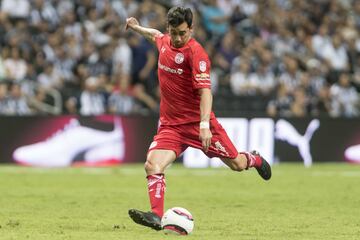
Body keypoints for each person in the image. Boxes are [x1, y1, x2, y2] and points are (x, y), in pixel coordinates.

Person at [125, 6, 271, 231]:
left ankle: (254, 159)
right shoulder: (164, 41)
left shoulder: (196, 54)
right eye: (174, 32)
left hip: (198, 126)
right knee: (152, 164)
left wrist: (204, 126)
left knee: (237, 164)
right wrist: (136, 27)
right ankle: (155, 215)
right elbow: (154, 35)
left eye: (183, 33)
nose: (178, 37)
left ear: (191, 29)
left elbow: (205, 92)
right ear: (169, 29)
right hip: (171, 127)